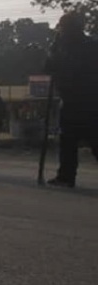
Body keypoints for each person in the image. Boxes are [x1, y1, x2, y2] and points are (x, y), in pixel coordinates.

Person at [43, 11, 98, 188]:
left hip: (86, 99)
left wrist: (56, 55)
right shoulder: (62, 47)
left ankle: (66, 176)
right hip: (71, 99)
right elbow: (48, 68)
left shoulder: (87, 46)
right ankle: (66, 176)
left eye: (63, 27)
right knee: (68, 140)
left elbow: (72, 69)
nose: (61, 31)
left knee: (91, 138)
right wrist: (53, 52)